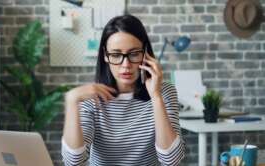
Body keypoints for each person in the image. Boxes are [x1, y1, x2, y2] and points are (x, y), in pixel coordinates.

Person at [61, 15, 185, 165]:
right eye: (116, 54)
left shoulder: (164, 92)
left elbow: (172, 161)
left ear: (145, 53)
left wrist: (156, 96)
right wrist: (71, 102)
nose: (125, 65)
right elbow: (73, 163)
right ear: (105, 56)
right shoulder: (91, 99)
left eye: (133, 54)